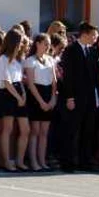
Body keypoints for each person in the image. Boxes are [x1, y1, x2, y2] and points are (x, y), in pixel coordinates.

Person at [59, 22, 99, 173]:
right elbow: (68, 76)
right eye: (94, 35)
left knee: (88, 130)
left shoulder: (92, 51)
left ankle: (85, 161)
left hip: (90, 97)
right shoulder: (70, 50)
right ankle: (68, 161)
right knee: (72, 130)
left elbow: (97, 76)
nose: (96, 38)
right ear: (85, 34)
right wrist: (69, 97)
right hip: (76, 97)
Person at [24, 34, 58, 171]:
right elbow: (31, 84)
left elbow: (54, 81)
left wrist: (52, 98)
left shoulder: (50, 60)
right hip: (36, 96)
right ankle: (34, 162)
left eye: (48, 44)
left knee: (44, 132)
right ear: (37, 44)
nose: (47, 46)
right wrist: (41, 102)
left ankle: (42, 160)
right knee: (35, 131)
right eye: (45, 43)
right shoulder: (30, 61)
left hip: (48, 94)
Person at [0, 29, 29, 172]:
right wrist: (18, 96)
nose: (23, 44)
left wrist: (23, 95)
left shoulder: (17, 60)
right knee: (7, 129)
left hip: (19, 92)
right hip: (8, 94)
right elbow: (6, 82)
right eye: (21, 41)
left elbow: (20, 80)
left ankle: (20, 160)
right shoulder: (3, 58)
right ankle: (7, 161)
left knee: (25, 129)